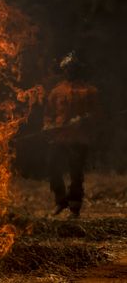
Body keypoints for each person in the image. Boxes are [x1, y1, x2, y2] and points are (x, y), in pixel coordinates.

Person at [43, 51, 100, 218]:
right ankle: (60, 201)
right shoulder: (56, 92)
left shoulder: (90, 91)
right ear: (64, 70)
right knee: (53, 167)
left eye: (73, 68)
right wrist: (47, 125)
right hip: (59, 137)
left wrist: (84, 119)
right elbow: (48, 113)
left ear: (78, 69)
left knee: (76, 173)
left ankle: (75, 207)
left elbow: (98, 114)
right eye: (67, 68)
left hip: (79, 138)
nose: (70, 71)